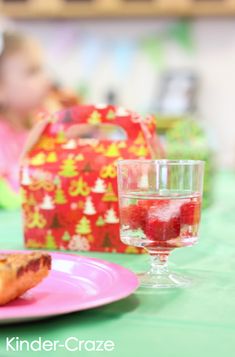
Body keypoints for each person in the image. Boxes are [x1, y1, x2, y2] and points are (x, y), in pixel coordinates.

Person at [0, 31, 49, 207]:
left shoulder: (41, 121)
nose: (45, 79)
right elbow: (13, 191)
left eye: (41, 69)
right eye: (32, 72)